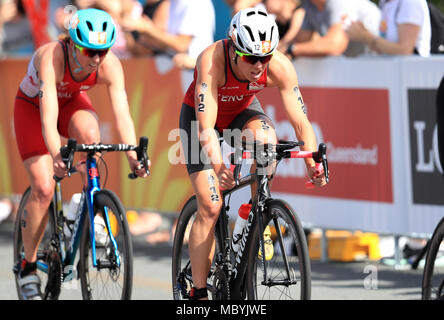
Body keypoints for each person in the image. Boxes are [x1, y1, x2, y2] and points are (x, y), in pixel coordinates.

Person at [179, 8, 328, 300]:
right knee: (210, 206)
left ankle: (253, 215)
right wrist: (219, 164)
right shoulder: (212, 61)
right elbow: (207, 129)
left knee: (267, 144)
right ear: (234, 49)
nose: (259, 65)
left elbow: (301, 122)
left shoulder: (279, 66)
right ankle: (197, 293)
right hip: (200, 121)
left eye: (265, 57)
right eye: (251, 58)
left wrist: (312, 159)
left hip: (240, 113)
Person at [13, 8, 149, 300]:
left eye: (103, 50)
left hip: (71, 102)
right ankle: (27, 268)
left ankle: (84, 204)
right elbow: (49, 117)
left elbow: (122, 113)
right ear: (73, 43)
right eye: (90, 51)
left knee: (91, 136)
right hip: (33, 108)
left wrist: (132, 154)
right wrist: (56, 155)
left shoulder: (109, 64)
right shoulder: (52, 57)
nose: (97, 58)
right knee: (44, 187)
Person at [122, 0, 215, 69]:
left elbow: (181, 45)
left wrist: (148, 29)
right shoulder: (171, 3)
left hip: (193, 74)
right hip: (175, 73)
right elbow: (165, 44)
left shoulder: (194, 3)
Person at [286, 0, 380, 58]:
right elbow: (302, 41)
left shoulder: (339, 2)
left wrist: (292, 49)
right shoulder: (309, 4)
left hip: (381, 60)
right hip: (357, 65)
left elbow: (335, 45)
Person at [345, 0, 431, 57]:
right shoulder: (385, 2)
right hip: (392, 74)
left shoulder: (409, 2)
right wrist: (362, 34)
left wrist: (366, 37)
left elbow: (405, 50)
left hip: (411, 76)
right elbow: (383, 48)